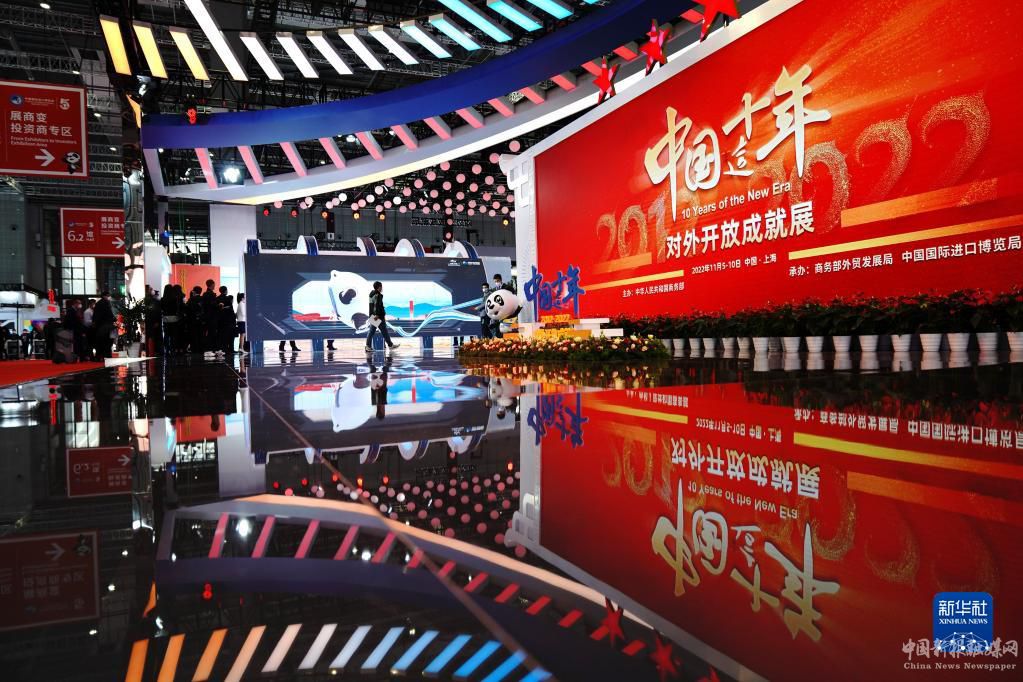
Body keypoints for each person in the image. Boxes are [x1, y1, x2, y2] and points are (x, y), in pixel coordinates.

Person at [365, 281, 399, 353]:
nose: (382, 288)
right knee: (374, 331)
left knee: (382, 331)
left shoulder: (372, 294)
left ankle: (390, 345)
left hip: (374, 315)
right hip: (377, 316)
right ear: (379, 287)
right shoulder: (377, 295)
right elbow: (377, 305)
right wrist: (377, 315)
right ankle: (368, 346)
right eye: (381, 286)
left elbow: (373, 306)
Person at [92, 291, 116, 359]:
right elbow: (109, 314)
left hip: (100, 326)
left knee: (100, 342)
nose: (109, 297)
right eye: (108, 296)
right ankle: (107, 355)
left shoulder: (98, 303)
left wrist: (95, 323)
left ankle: (99, 356)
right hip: (106, 325)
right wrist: (114, 319)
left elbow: (95, 315)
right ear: (105, 296)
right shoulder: (106, 303)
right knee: (107, 342)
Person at [161, 284, 183, 355]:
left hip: (166, 318)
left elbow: (162, 308)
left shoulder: (163, 299)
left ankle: (167, 349)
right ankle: (173, 349)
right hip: (174, 318)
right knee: (174, 335)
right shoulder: (175, 298)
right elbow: (177, 308)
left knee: (166, 334)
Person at [201, 279, 219, 357]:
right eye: (214, 284)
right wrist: (219, 305)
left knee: (211, 333)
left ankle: (212, 349)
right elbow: (212, 305)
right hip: (211, 317)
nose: (214, 286)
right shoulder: (210, 294)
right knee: (211, 333)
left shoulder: (205, 294)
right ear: (211, 285)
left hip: (208, 316)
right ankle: (208, 350)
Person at [186, 286, 204, 354]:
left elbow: (187, 308)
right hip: (201, 320)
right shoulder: (202, 299)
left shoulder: (191, 299)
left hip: (192, 320)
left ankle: (194, 349)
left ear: (194, 291)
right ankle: (201, 349)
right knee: (201, 334)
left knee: (194, 335)